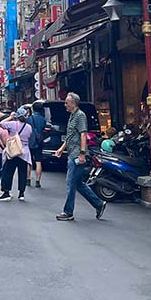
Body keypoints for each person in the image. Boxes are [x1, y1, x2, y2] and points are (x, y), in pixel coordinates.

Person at [56, 92, 105, 221]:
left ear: (73, 103)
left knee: (70, 183)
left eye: (67, 102)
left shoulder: (80, 116)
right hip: (72, 153)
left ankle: (68, 211)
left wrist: (82, 153)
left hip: (77, 154)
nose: (65, 105)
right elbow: (70, 136)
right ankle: (98, 204)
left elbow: (83, 135)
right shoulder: (72, 116)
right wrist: (61, 149)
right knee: (78, 183)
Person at [0, 107, 33, 202]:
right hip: (24, 152)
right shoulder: (29, 127)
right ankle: (21, 193)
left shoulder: (12, 124)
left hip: (13, 151)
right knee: (22, 173)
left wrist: (10, 117)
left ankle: (6, 192)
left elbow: (1, 124)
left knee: (8, 172)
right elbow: (29, 136)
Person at [27, 104, 46, 188]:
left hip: (30, 141)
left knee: (29, 162)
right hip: (39, 142)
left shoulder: (29, 119)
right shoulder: (43, 119)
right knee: (38, 162)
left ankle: (28, 179)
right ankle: (38, 181)